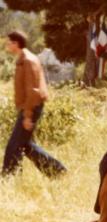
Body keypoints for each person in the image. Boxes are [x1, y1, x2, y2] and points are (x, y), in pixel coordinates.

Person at [1, 31, 66, 177]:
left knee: (14, 145)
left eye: (8, 42)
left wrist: (27, 116)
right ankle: (57, 171)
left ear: (15, 43)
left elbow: (33, 91)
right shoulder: (23, 59)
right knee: (25, 144)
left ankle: (9, 176)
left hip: (31, 107)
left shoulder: (28, 61)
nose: (6, 45)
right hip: (29, 107)